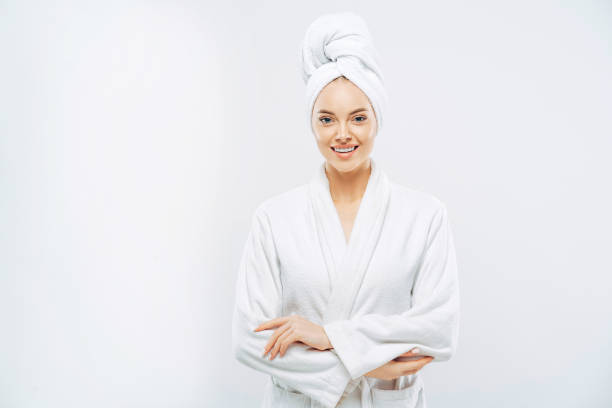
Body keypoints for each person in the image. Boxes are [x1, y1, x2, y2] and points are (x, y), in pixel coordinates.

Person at [231, 11, 460, 408]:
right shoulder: (274, 218)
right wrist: (371, 363)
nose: (342, 134)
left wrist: (327, 337)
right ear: (312, 124)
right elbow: (249, 340)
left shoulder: (425, 216)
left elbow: (439, 331)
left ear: (377, 119)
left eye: (357, 118)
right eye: (326, 119)